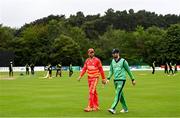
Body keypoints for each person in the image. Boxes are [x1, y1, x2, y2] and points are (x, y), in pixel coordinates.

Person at [106, 49, 136, 114]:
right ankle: (125, 109)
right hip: (115, 80)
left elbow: (128, 70)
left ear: (118, 53)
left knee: (117, 94)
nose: (114, 54)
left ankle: (113, 108)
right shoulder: (112, 61)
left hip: (122, 80)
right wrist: (108, 78)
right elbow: (111, 70)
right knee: (120, 94)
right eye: (113, 53)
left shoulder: (123, 61)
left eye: (115, 53)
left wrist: (133, 79)